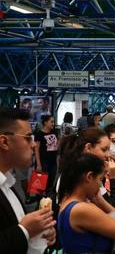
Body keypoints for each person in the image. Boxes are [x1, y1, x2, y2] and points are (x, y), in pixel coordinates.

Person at [0, 108, 56, 253]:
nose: (33, 144)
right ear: (4, 142)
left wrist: (37, 234)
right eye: (27, 137)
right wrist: (25, 230)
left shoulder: (8, 183)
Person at [57, 153, 115, 254]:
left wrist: (99, 200)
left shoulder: (68, 201)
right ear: (89, 177)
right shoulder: (81, 209)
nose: (99, 186)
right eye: (100, 180)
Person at [34, 114, 60, 195]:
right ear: (45, 122)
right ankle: (39, 203)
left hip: (53, 162)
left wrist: (61, 140)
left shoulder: (54, 132)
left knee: (50, 184)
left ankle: (47, 201)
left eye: (53, 122)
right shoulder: (39, 134)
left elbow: (56, 146)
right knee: (40, 186)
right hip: (43, 162)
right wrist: (38, 164)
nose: (53, 123)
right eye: (51, 122)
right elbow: (36, 149)